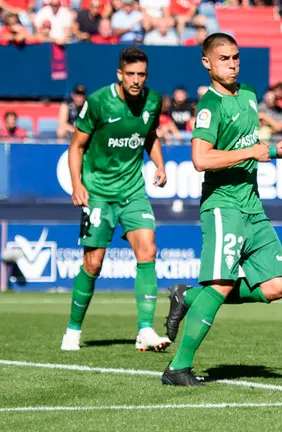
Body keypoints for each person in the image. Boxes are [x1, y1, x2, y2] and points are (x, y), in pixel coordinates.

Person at [161, 33, 282, 386]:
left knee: (275, 286)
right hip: (224, 205)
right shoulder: (210, 105)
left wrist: (275, 150)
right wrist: (251, 152)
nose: (233, 64)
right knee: (221, 285)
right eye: (224, 58)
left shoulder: (249, 95)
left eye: (236, 57)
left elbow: (249, 144)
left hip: (253, 205)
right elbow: (200, 159)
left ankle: (187, 295)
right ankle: (177, 367)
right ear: (207, 63)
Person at [60, 47, 170, 352]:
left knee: (148, 250)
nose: (136, 80)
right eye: (131, 74)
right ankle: (73, 328)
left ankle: (145, 330)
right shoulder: (98, 101)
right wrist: (77, 185)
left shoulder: (153, 100)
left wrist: (159, 164)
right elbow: (76, 146)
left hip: (133, 191)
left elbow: (150, 135)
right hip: (98, 192)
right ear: (120, 74)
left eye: (142, 75)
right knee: (93, 264)